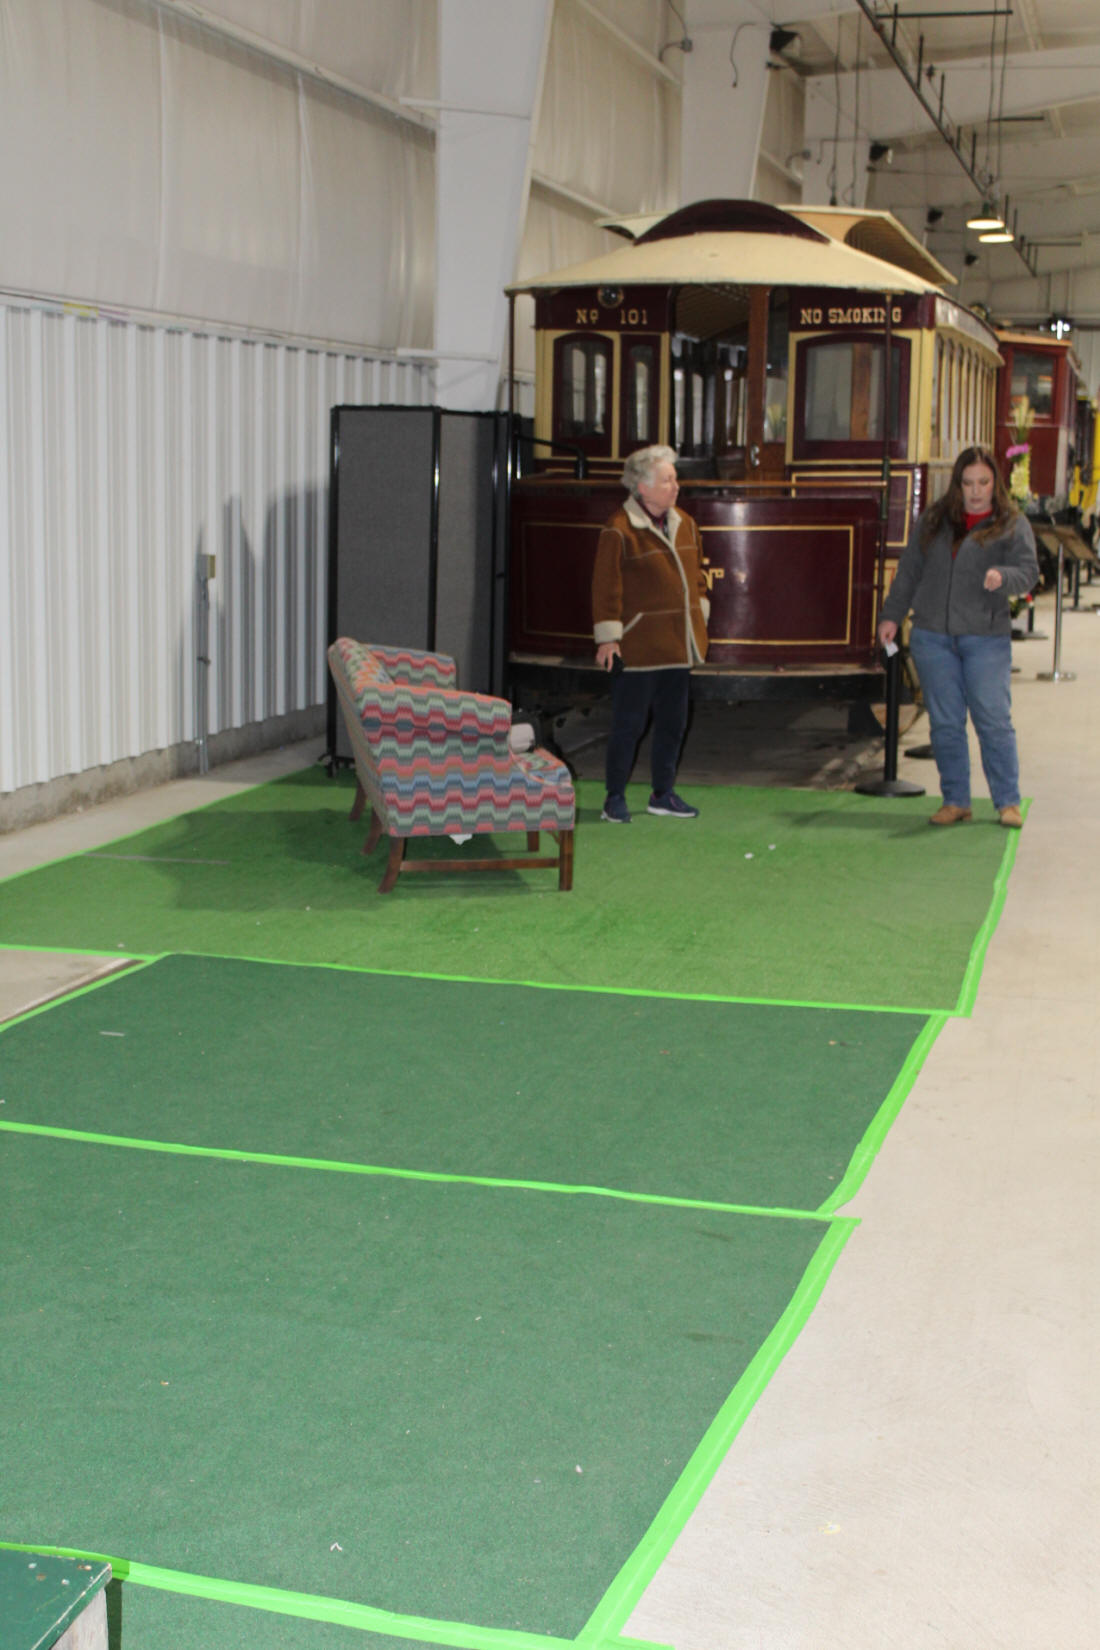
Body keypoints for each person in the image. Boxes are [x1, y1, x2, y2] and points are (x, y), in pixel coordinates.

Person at [877, 444, 1039, 828]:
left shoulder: (1012, 522)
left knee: (992, 719)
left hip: (985, 639)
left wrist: (1004, 577)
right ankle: (955, 800)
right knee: (945, 723)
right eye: (968, 483)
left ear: (995, 482)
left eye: (983, 482)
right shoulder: (934, 520)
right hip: (932, 637)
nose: (976, 491)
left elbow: (1029, 572)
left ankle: (1007, 802)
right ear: (957, 484)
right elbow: (909, 570)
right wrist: (891, 615)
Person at [592, 445, 710, 822]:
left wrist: (699, 614)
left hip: (677, 646)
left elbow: (697, 578)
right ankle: (614, 797)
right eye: (667, 480)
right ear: (642, 487)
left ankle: (663, 794)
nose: (676, 486)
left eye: (675, 479)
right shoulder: (618, 528)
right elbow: (605, 588)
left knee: (674, 725)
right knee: (628, 726)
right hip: (638, 649)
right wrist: (608, 639)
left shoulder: (686, 523)